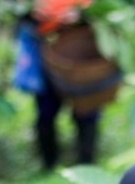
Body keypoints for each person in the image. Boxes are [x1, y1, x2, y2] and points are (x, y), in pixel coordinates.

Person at [15, 0, 111, 169]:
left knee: (87, 111)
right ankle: (49, 164)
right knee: (46, 113)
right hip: (45, 53)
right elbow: (20, 14)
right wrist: (34, 14)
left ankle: (87, 161)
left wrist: (79, 15)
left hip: (81, 51)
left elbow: (102, 12)